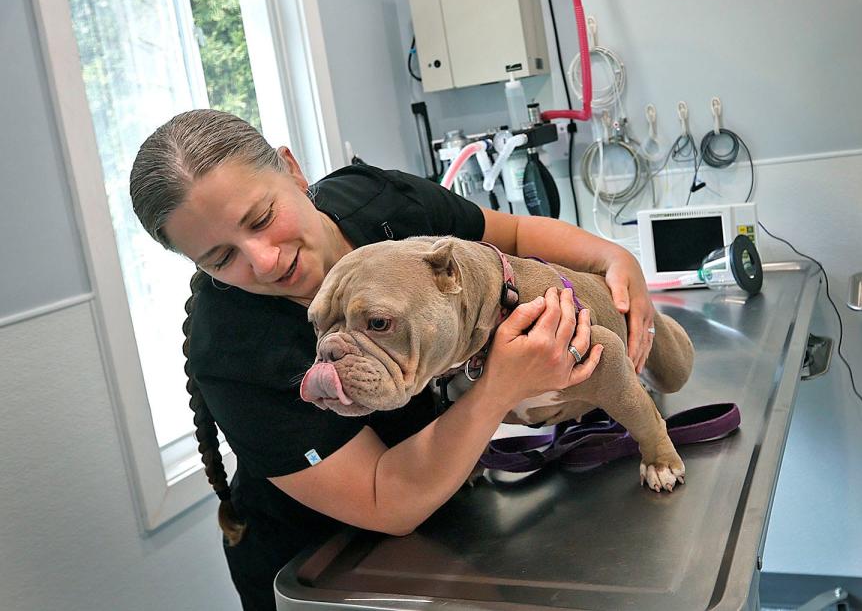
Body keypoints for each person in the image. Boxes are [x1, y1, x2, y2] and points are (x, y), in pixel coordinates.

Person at [130, 109, 657, 611]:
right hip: (324, 563)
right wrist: (501, 387)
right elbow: (386, 501)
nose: (264, 261)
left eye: (263, 217)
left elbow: (513, 235)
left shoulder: (379, 204)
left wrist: (613, 257)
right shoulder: (232, 352)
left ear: (291, 170)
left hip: (452, 515)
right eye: (222, 258)